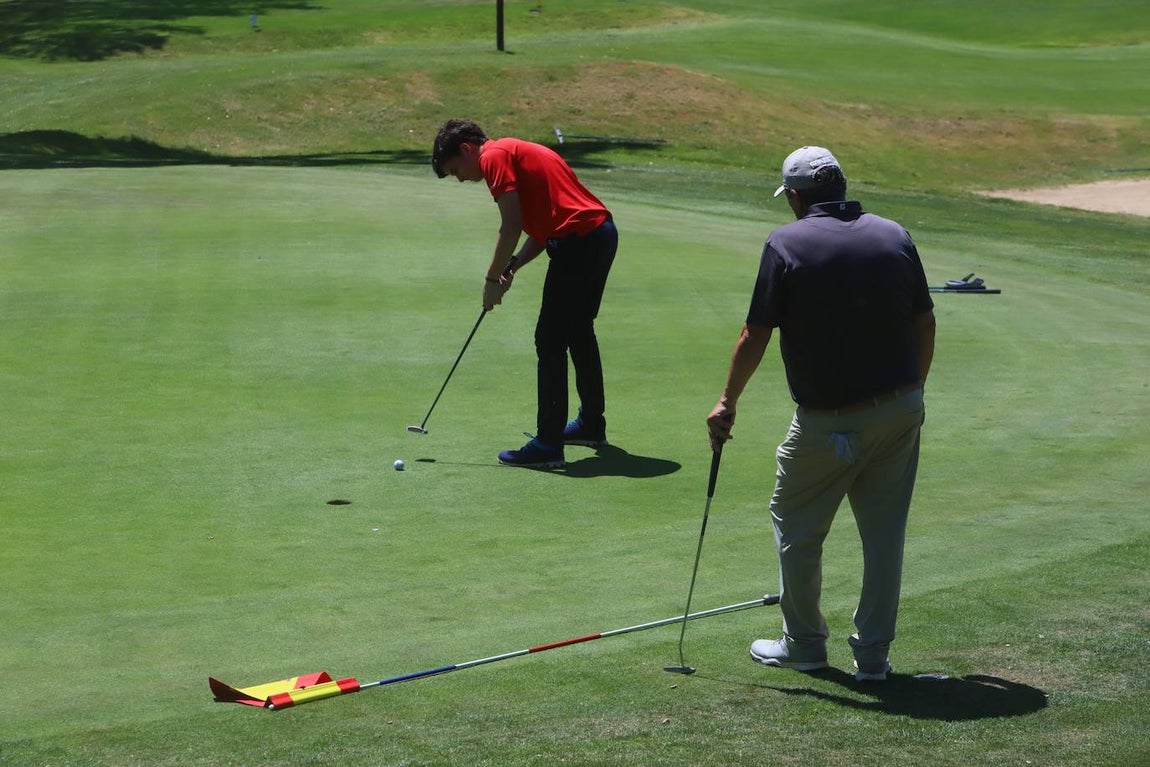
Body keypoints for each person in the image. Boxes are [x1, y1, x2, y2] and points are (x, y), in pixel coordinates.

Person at [706, 146, 936, 682]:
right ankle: (874, 658)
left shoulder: (785, 242)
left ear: (794, 196)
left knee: (797, 526)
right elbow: (924, 322)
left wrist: (727, 402)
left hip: (827, 419)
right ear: (841, 185)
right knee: (884, 537)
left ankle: (805, 644)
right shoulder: (893, 233)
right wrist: (911, 395)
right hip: (900, 408)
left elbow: (754, 333)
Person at [431, 119, 618, 468]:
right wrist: (512, 267)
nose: (461, 178)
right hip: (599, 234)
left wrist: (490, 281)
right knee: (577, 332)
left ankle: (548, 445)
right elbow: (542, 228)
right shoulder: (515, 151)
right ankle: (591, 424)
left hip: (580, 241)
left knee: (549, 339)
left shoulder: (493, 157)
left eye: (456, 169)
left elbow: (511, 225)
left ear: (468, 150)